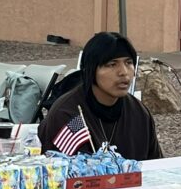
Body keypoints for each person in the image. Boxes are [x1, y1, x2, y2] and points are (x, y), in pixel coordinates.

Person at [38, 32, 162, 161]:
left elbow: (156, 165)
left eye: (128, 63)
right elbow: (61, 168)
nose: (124, 72)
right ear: (91, 70)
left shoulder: (138, 113)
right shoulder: (69, 115)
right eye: (112, 64)